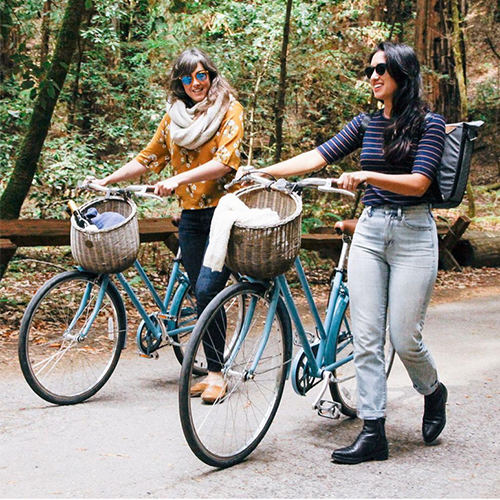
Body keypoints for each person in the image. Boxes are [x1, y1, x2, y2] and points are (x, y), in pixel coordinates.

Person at [253, 41, 448, 463]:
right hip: (371, 231)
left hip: (414, 233)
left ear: (403, 74)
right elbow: (317, 156)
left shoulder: (430, 124)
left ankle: (433, 391)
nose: (373, 76)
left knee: (404, 337)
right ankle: (373, 431)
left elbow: (419, 183)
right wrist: (264, 170)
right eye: (370, 70)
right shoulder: (366, 123)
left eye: (382, 69)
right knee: (366, 336)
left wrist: (366, 175)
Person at [96, 48, 244, 404]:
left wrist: (178, 180)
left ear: (211, 75)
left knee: (208, 291)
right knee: (199, 292)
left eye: (201, 75)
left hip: (224, 214)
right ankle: (213, 368)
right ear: (179, 82)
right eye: (188, 77)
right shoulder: (174, 119)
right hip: (191, 217)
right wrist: (107, 180)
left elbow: (225, 162)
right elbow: (148, 158)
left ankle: (216, 374)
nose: (196, 83)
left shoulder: (230, 109)